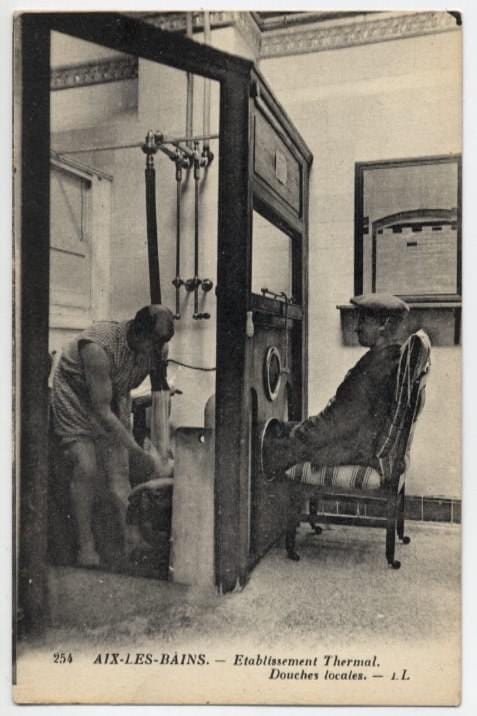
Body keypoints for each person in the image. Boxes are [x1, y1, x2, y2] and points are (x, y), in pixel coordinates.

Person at [51, 305, 174, 567]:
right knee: (86, 467)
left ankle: (131, 539)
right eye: (153, 345)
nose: (157, 352)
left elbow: (160, 394)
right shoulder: (99, 347)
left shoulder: (157, 347)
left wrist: (160, 447)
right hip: (74, 396)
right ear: (137, 333)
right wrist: (138, 450)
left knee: (120, 470)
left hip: (111, 396)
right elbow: (101, 411)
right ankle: (86, 548)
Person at [262, 293, 410, 476]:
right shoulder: (388, 358)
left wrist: (297, 433)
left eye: (364, 320)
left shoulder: (375, 369)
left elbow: (337, 423)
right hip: (358, 444)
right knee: (281, 430)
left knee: (264, 444)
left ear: (384, 325)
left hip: (351, 449)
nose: (357, 328)